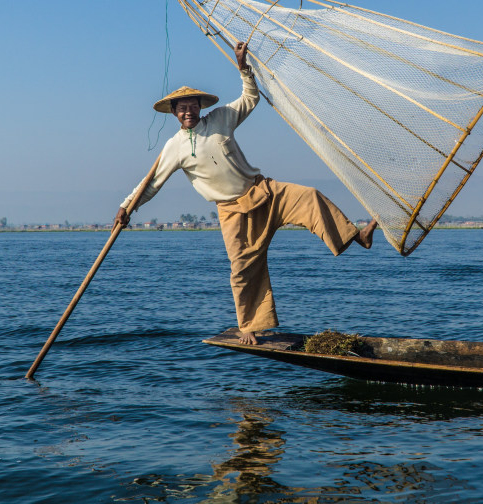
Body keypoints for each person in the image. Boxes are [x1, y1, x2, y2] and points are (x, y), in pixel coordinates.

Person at [115, 42, 377, 345]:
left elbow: (250, 98)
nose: (188, 111)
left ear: (201, 107)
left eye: (192, 106)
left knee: (310, 196)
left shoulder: (222, 118)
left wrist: (243, 69)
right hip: (231, 211)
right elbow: (151, 184)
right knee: (242, 268)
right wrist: (126, 207)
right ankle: (249, 325)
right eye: (182, 108)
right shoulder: (175, 147)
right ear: (174, 113)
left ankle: (357, 236)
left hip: (263, 192)